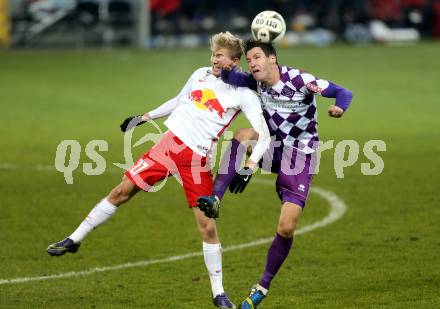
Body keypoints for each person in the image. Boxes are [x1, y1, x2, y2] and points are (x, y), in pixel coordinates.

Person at [46, 32, 271, 309]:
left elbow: (262, 132)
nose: (214, 60)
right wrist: (144, 117)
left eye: (220, 56)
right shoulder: (200, 74)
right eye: (213, 54)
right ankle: (74, 238)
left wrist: (250, 165)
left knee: (207, 226)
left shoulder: (243, 94)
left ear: (235, 61)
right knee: (121, 191)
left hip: (197, 160)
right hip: (168, 147)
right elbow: (179, 100)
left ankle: (219, 293)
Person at [196, 40, 353, 308]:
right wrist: (223, 62)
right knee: (244, 135)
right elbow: (228, 73)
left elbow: (343, 92)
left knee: (287, 227)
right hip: (271, 145)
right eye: (249, 60)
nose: (252, 63)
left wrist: (339, 108)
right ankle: (215, 198)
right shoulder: (255, 81)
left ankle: (261, 288)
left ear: (273, 59)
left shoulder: (300, 80)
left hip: (300, 155)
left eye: (257, 57)